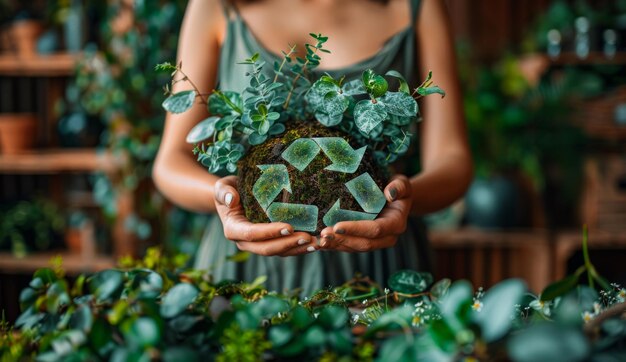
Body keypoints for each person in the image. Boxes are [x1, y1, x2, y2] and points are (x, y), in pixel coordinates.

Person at [153, 0, 472, 294]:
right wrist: (227, 199)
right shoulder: (217, 5)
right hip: (250, 265)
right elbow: (171, 161)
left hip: (376, 260)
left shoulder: (416, 6)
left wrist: (402, 198)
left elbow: (452, 159)